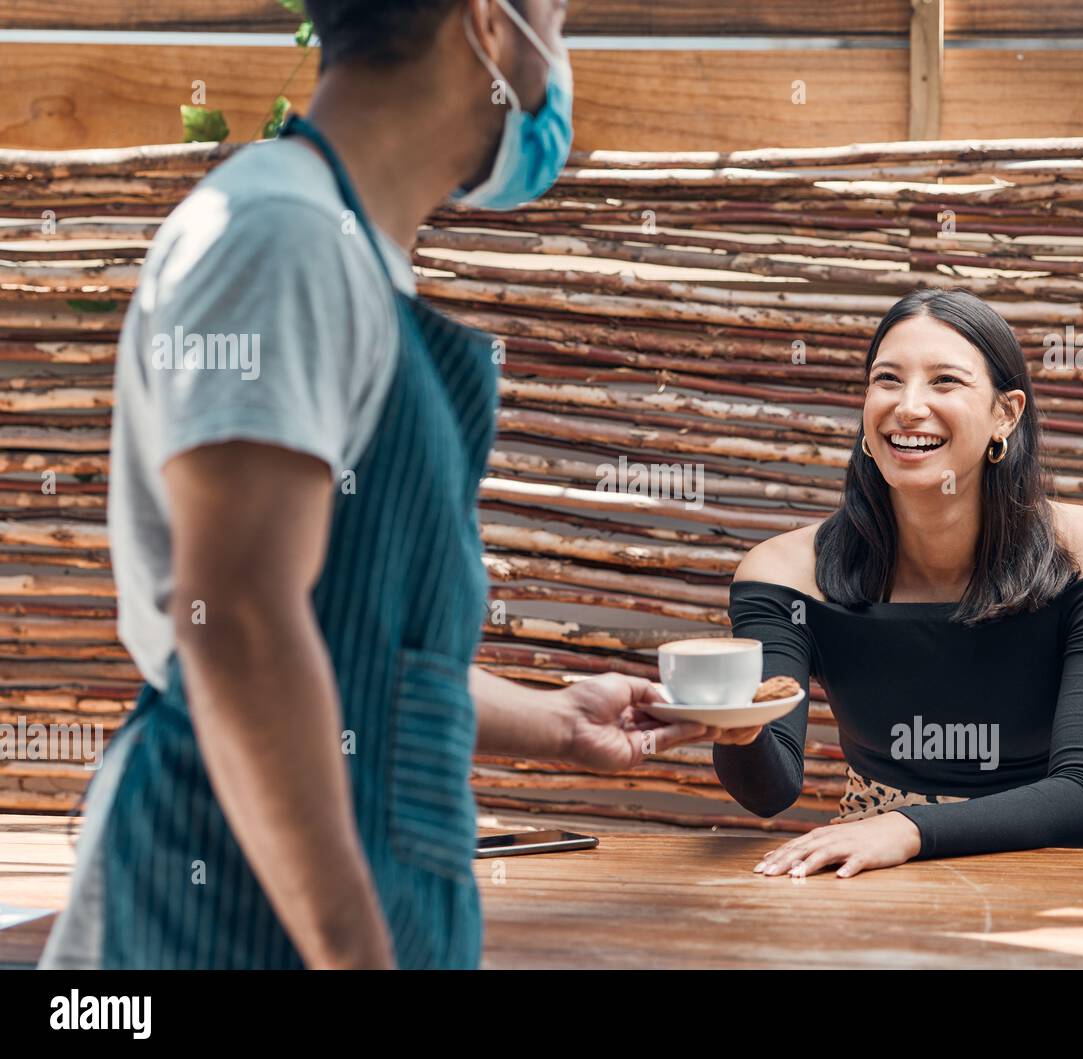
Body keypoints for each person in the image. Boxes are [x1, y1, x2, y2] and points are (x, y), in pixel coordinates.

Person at [40, 0, 748, 971]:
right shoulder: (279, 235)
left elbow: (342, 643)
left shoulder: (338, 248)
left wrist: (556, 723)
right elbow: (237, 619)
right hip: (232, 899)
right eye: (559, 20)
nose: (561, 60)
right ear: (489, 25)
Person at [712, 288, 1083, 879]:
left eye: (946, 381)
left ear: (1006, 414)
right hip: (868, 872)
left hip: (1049, 868)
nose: (909, 406)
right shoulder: (785, 571)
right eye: (887, 380)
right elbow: (770, 791)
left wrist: (907, 827)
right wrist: (736, 730)